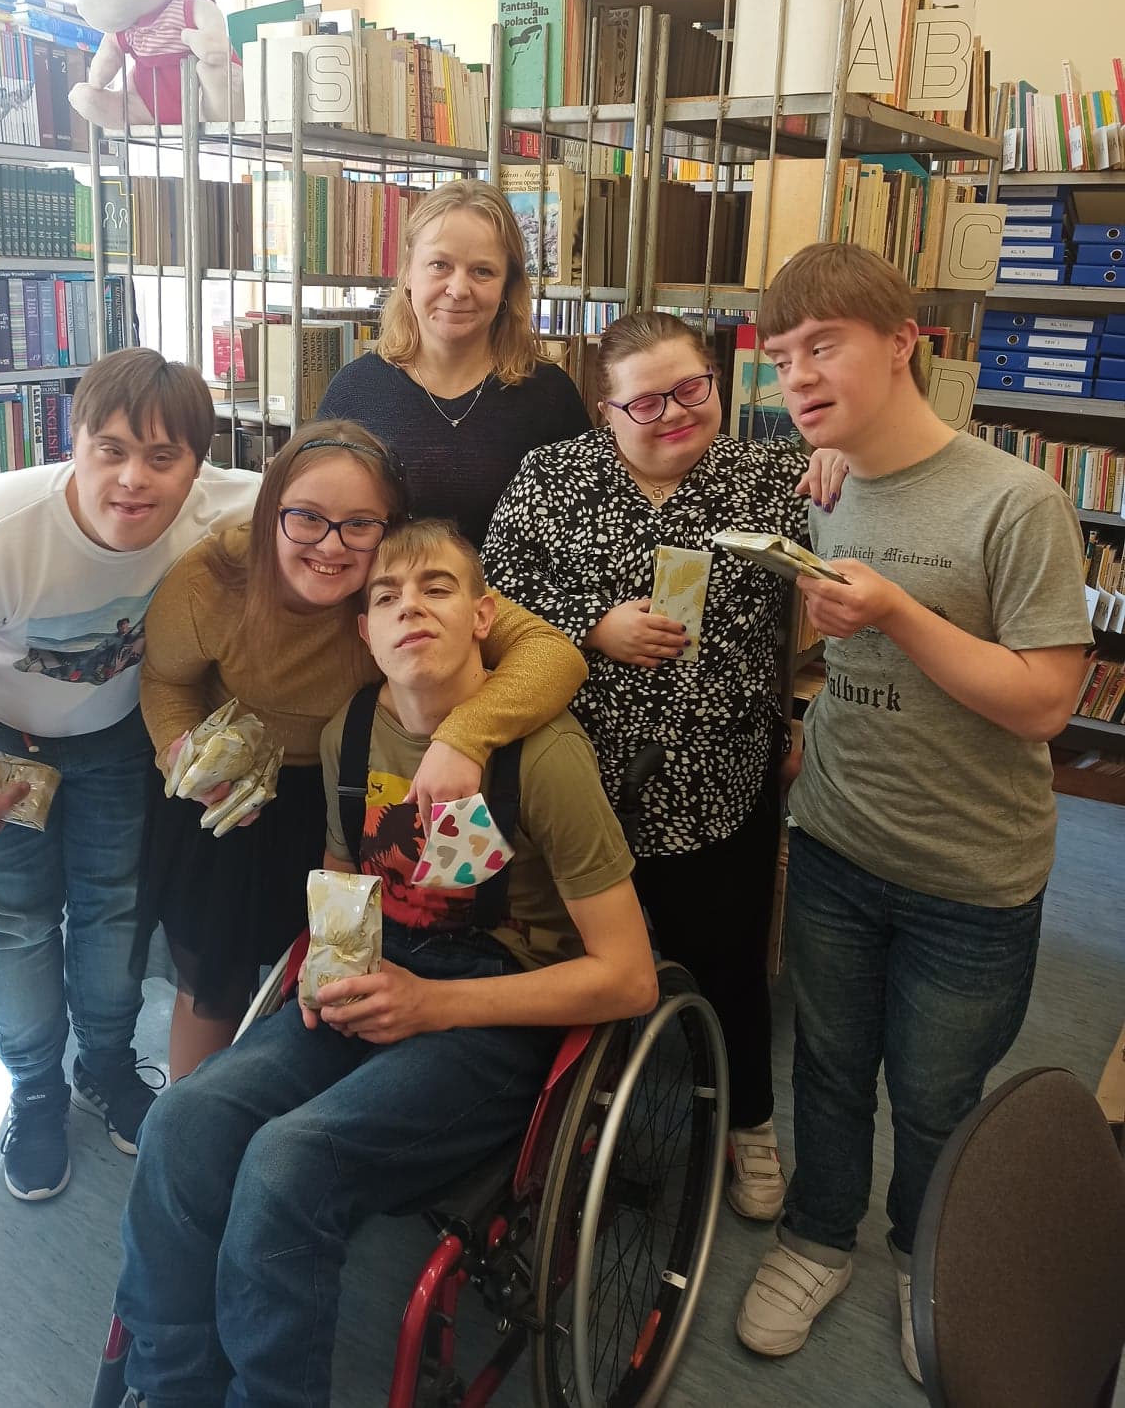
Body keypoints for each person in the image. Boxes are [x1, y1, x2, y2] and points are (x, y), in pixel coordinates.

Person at [115, 517, 656, 1408]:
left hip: (495, 1009)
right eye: (386, 596)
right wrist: (330, 971)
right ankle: (170, 1386)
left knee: (287, 1164)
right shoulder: (352, 731)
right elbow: (344, 876)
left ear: (483, 617)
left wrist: (434, 1006)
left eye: (437, 588)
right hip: (378, 965)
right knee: (181, 1122)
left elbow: (631, 978)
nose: (411, 607)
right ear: (363, 632)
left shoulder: (547, 757)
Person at [735, 244, 1091, 1381]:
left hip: (970, 875)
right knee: (830, 1067)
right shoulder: (825, 482)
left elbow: (1045, 702)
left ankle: (923, 1259)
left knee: (936, 1098)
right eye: (779, 357)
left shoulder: (1018, 501)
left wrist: (894, 613)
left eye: (822, 346)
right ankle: (817, 1235)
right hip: (837, 842)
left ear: (903, 345)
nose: (796, 376)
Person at [0, 349, 260, 1202]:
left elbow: (322, 502)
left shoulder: (220, 506)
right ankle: (35, 1091)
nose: (134, 479)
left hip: (114, 737)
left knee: (115, 910)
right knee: (16, 925)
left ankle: (108, 1068)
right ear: (72, 443)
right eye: (110, 449)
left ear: (198, 465)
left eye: (163, 457)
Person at [483, 310, 844, 1224]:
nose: (678, 412)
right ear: (605, 410)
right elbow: (494, 595)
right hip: (578, 787)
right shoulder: (551, 477)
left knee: (729, 961)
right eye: (648, 401)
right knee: (572, 962)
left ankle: (748, 1120)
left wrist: (847, 456)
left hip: (719, 779)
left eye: (694, 388)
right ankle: (559, 1124)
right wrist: (589, 625)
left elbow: (857, 547)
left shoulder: (768, 477)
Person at [139, 420, 589, 1080]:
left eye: (358, 524)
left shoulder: (397, 585)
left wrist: (464, 737)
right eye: (306, 518)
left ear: (388, 528)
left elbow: (551, 653)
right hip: (234, 803)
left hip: (345, 792)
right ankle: (197, 1117)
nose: (331, 544)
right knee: (213, 984)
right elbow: (165, 679)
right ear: (270, 513)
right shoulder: (212, 581)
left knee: (330, 984)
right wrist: (184, 756)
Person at [316, 178, 589, 546]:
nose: (459, 289)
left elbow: (581, 536)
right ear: (408, 273)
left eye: (483, 271)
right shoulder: (353, 393)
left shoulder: (551, 397)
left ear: (507, 286)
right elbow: (320, 524)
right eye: (439, 265)